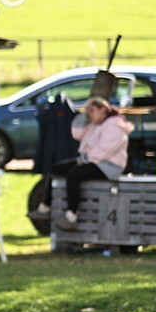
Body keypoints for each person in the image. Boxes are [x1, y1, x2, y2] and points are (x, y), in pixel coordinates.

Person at [36, 96, 133, 230]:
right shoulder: (96, 124)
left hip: (109, 166)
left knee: (74, 174)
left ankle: (71, 216)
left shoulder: (115, 127)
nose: (90, 115)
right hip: (94, 161)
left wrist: (84, 160)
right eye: (88, 112)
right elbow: (77, 133)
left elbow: (103, 151)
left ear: (103, 109)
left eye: (92, 111)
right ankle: (44, 208)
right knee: (56, 169)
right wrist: (84, 116)